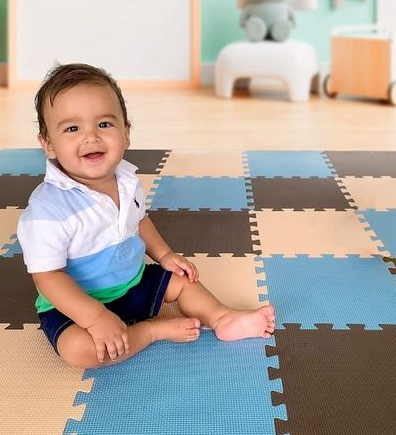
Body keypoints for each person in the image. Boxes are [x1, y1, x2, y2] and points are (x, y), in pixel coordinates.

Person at [17, 63, 275, 369]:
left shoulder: (126, 181)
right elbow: (48, 276)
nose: (91, 137)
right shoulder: (48, 210)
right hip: (78, 305)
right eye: (72, 129)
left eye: (104, 124)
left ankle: (222, 317)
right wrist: (96, 317)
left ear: (126, 134)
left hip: (133, 282)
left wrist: (164, 255)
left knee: (184, 280)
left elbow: (139, 221)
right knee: (80, 352)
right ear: (48, 144)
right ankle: (151, 331)